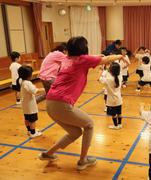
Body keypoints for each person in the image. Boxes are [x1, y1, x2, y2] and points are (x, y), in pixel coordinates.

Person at [38, 36, 122, 170]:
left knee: (75, 133)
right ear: (84, 49)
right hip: (62, 103)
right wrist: (119, 56)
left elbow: (92, 58)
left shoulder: (66, 59)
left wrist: (99, 56)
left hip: (50, 103)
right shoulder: (83, 60)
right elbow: (105, 60)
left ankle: (48, 154)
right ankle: (83, 160)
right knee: (89, 124)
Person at [17, 66, 45, 138]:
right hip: (30, 105)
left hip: (25, 105)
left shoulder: (21, 81)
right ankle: (33, 133)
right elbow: (35, 91)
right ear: (29, 75)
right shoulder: (27, 83)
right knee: (32, 120)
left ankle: (29, 130)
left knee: (27, 118)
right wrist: (44, 89)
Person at [98, 62, 123, 130]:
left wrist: (100, 71)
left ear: (111, 71)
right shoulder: (120, 76)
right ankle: (120, 124)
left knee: (113, 115)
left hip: (111, 101)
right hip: (119, 99)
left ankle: (115, 125)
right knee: (119, 113)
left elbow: (99, 79)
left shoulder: (108, 80)